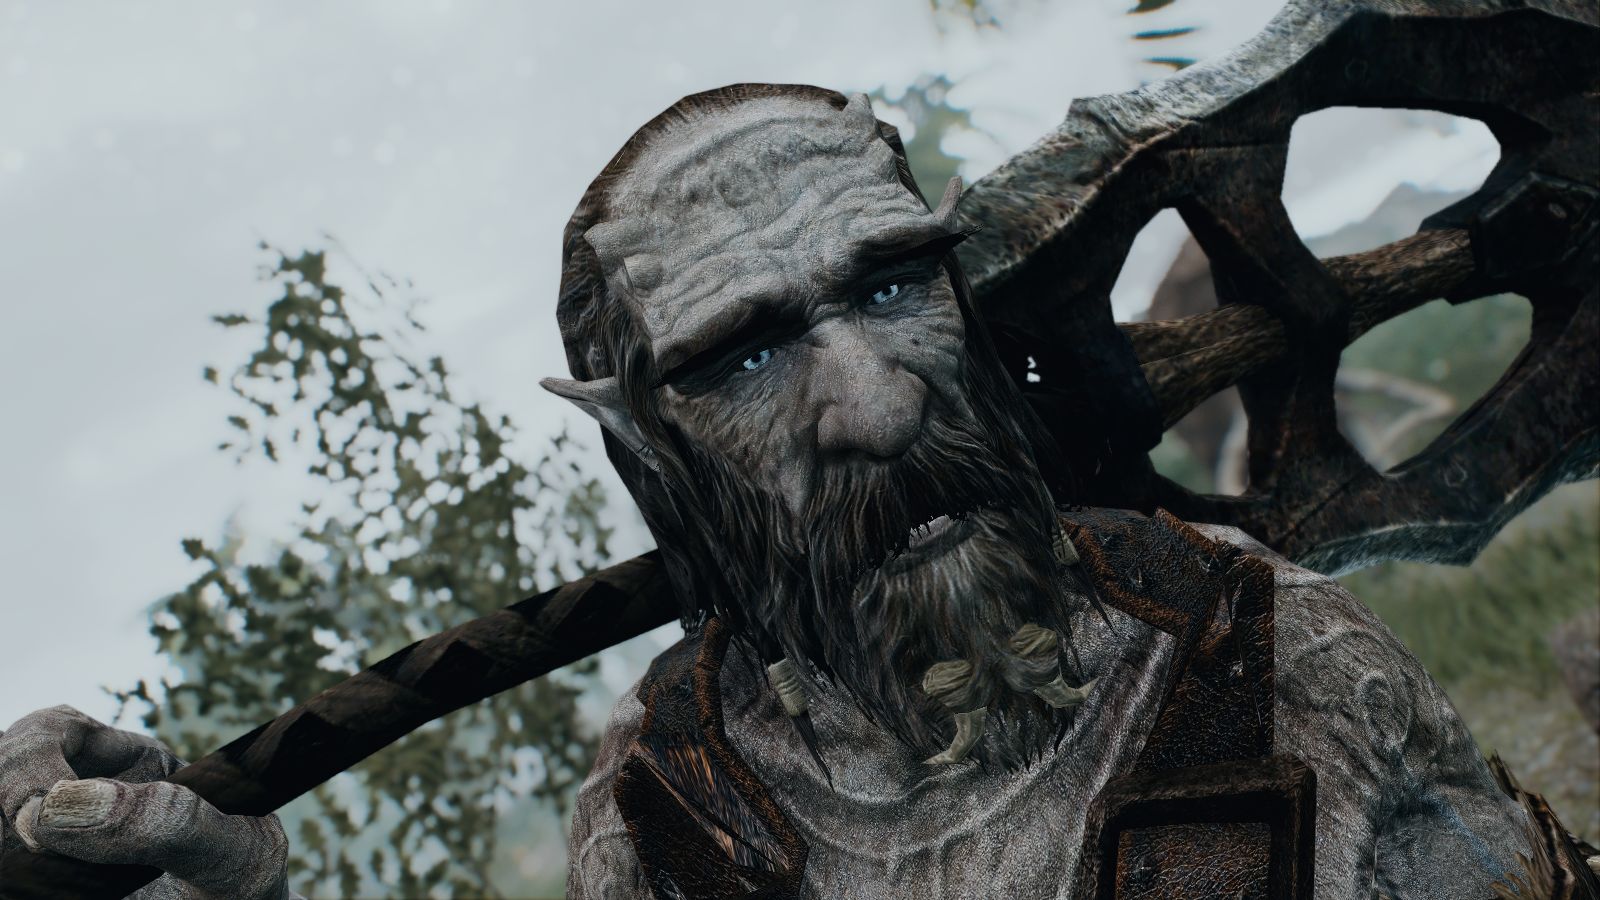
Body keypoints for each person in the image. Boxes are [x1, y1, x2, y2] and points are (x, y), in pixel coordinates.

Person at [0, 85, 1542, 899]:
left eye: (892, 287)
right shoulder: (668, 818)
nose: (876, 406)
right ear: (649, 456)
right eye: (741, 356)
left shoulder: (1271, 654)